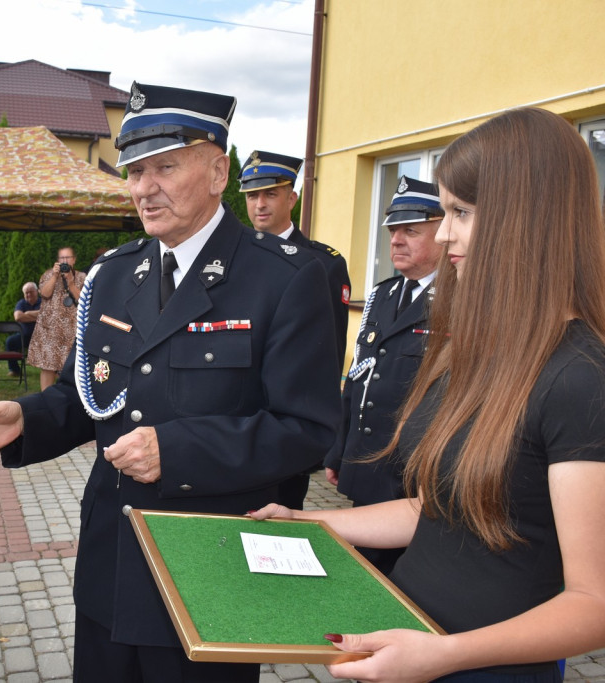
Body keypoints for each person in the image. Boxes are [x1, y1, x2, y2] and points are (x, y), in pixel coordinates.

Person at [0, 81, 340, 683]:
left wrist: (177, 451)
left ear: (217, 171)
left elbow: (305, 429)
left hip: (208, 572)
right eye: (133, 171)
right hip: (110, 563)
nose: (144, 188)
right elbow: (90, 394)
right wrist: (27, 417)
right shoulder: (118, 272)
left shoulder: (285, 279)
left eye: (165, 167)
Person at [250, 107, 605, 682]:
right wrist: (312, 522)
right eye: (444, 212)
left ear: (527, 219)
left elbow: (593, 604)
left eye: (460, 213)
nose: (442, 233)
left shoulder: (582, 376)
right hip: (410, 639)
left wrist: (444, 654)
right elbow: (433, 511)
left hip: (481, 668)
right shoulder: (474, 350)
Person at [322, 176, 443, 574]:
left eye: (411, 230)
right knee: (363, 570)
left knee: (406, 577)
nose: (396, 240)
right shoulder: (383, 295)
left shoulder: (461, 301)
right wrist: (341, 449)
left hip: (416, 476)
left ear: (444, 232)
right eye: (393, 230)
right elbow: (358, 379)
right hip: (369, 464)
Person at [239, 150, 351, 510]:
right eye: (252, 195)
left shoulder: (323, 264)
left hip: (285, 424)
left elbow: (329, 352)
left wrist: (320, 436)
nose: (260, 204)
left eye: (270, 194)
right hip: (235, 418)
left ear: (292, 197)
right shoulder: (231, 258)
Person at [26, 246, 86, 391]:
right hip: (50, 329)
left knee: (72, 365)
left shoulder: (82, 277)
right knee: (48, 366)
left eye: (68, 258)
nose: (65, 261)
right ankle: (45, 397)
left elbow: (83, 300)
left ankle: (67, 397)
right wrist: (54, 276)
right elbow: (45, 294)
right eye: (62, 258)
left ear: (74, 260)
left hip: (73, 329)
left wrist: (71, 283)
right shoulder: (48, 275)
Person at [6, 281, 41, 377]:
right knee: (10, 342)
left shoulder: (44, 302)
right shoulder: (21, 303)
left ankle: (54, 371)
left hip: (42, 337)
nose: (29, 294)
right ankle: (15, 370)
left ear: (37, 291)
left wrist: (27, 313)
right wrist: (37, 316)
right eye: (26, 292)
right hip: (24, 337)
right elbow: (18, 317)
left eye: (31, 292)